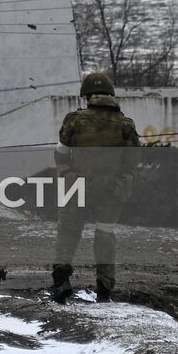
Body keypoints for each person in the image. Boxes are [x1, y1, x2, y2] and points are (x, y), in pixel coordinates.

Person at [50, 71, 140, 304]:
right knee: (105, 235)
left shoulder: (74, 120)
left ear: (87, 95)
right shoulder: (126, 125)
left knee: (68, 231)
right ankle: (104, 290)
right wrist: (119, 184)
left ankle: (61, 282)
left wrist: (68, 175)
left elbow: (60, 154)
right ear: (110, 95)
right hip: (110, 190)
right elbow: (132, 163)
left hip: (78, 186)